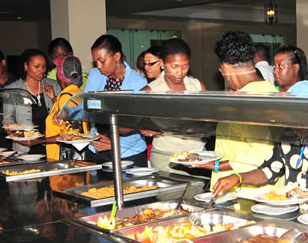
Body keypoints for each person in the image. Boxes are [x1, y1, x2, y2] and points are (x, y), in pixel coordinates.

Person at [212, 80, 308, 213]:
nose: (296, 125)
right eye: (292, 118)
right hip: (294, 217)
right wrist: (238, 177)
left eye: (302, 118)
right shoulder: (287, 141)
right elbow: (267, 171)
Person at [190, 30, 278, 198]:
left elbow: (260, 153)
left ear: (226, 67)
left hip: (247, 193)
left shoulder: (247, 100)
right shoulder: (268, 89)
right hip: (241, 189)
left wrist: (214, 166)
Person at [140, 38, 207, 174]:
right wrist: (142, 127)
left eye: (185, 66)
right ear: (162, 63)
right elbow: (132, 122)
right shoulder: (150, 91)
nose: (180, 72)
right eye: (174, 66)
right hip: (166, 156)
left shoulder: (197, 86)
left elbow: (209, 119)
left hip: (198, 155)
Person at [87, 34, 148, 166]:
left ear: (117, 57)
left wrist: (114, 143)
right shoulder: (95, 75)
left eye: (102, 61)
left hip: (130, 153)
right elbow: (86, 106)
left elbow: (140, 122)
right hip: (98, 147)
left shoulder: (139, 83)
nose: (98, 66)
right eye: (95, 61)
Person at [3, 49, 60, 154]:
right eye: (37, 67)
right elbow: (8, 121)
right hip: (24, 149)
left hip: (51, 146)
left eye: (44, 67)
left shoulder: (54, 85)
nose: (41, 70)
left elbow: (64, 115)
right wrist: (21, 136)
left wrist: (54, 98)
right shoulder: (12, 90)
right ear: (26, 66)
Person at [44, 56, 89, 161]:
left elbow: (70, 134)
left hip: (62, 157)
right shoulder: (79, 93)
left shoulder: (65, 96)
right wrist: (54, 99)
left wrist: (41, 141)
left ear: (60, 76)